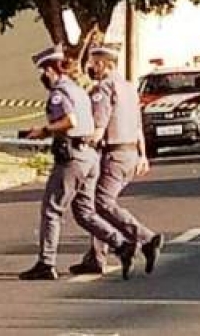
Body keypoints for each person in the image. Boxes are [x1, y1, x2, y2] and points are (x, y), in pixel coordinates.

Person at [18, 45, 138, 281]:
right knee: (84, 211)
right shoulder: (79, 91)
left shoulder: (59, 93)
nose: (43, 77)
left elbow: (69, 121)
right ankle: (121, 244)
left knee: (52, 209)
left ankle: (46, 262)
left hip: (73, 157)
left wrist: (43, 131)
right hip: (90, 157)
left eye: (44, 71)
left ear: (52, 69)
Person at [69, 44, 164, 276]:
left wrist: (76, 142)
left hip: (113, 153)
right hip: (130, 152)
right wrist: (143, 154)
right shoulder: (130, 88)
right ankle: (95, 257)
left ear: (104, 64)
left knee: (100, 203)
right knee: (96, 203)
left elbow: (99, 128)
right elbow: (138, 123)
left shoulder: (104, 88)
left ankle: (145, 238)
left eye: (94, 63)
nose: (91, 68)